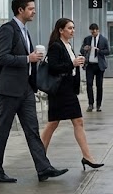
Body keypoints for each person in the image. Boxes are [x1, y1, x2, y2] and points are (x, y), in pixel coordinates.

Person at [0, 0, 68, 183]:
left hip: (25, 88)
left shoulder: (24, 31)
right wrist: (27, 59)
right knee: (3, 130)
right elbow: (1, 58)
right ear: (20, 10)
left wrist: (34, 60)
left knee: (32, 129)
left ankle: (43, 168)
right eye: (31, 9)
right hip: (9, 89)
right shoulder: (8, 30)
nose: (34, 11)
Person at [41, 18, 103, 170]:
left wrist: (77, 64)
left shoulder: (68, 45)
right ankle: (40, 157)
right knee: (53, 123)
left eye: (73, 28)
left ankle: (87, 156)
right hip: (60, 90)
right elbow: (53, 67)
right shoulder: (56, 46)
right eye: (69, 28)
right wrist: (73, 63)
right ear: (61, 30)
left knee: (76, 122)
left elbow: (68, 66)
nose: (72, 30)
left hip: (67, 89)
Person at [80, 23, 109, 111]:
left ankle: (99, 105)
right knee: (89, 84)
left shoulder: (103, 40)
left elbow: (108, 51)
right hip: (90, 65)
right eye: (92, 32)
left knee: (99, 85)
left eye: (94, 32)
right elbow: (81, 50)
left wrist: (99, 51)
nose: (93, 33)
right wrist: (85, 49)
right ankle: (90, 104)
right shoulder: (87, 39)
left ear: (98, 30)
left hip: (99, 65)